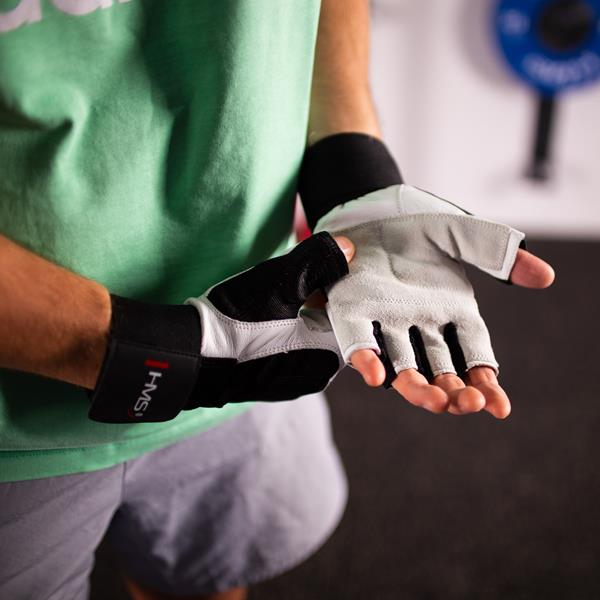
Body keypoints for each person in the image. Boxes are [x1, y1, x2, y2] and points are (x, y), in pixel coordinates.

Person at [0, 1, 554, 599]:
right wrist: (167, 353)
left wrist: (351, 171)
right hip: (22, 423)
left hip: (262, 330)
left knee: (205, 580)